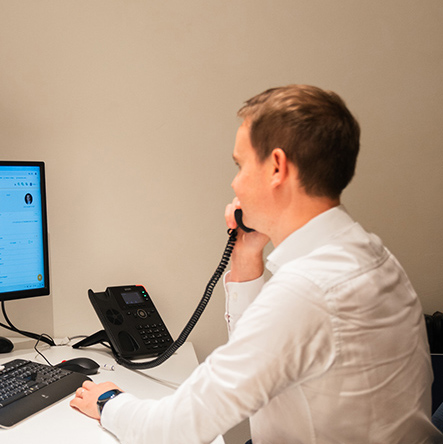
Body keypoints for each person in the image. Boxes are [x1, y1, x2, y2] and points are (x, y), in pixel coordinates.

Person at [70, 85, 443, 443]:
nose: (235, 184)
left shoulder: (307, 291)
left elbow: (173, 431)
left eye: (239, 165)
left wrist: (108, 402)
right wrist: (247, 256)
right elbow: (261, 356)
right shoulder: (371, 256)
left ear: (277, 167)